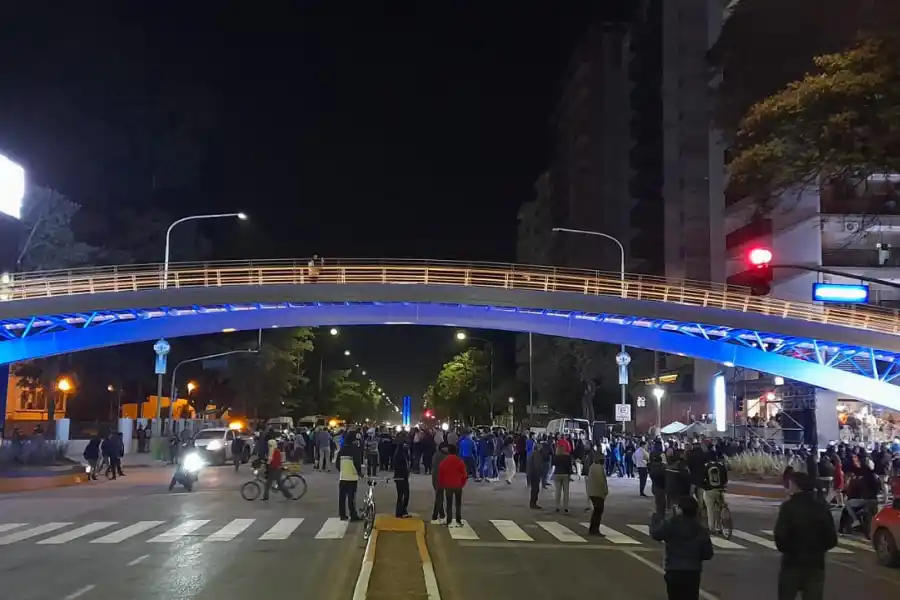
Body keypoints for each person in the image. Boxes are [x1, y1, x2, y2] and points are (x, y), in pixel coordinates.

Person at [773, 471, 837, 600]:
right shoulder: (821, 507)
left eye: (790, 483)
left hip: (792, 563)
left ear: (796, 486)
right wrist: (818, 549)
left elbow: (780, 536)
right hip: (816, 563)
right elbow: (832, 538)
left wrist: (790, 549)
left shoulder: (788, 507)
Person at [650, 496, 714, 600]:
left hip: (673, 570)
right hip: (692, 572)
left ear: (679, 509)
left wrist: (655, 519)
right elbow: (708, 553)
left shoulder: (671, 523)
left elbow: (656, 534)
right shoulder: (699, 528)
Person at [437, 444, 467, 527]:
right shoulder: (460, 461)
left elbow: (441, 475)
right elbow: (464, 475)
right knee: (458, 503)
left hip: (448, 485)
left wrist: (442, 484)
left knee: (449, 503)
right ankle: (458, 520)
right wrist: (462, 483)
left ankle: (448, 520)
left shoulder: (444, 462)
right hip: (458, 485)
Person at [700, 451, 728, 534]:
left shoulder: (706, 466)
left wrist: (704, 487)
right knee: (718, 508)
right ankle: (719, 526)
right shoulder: (721, 466)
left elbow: (702, 479)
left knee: (710, 509)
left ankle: (711, 527)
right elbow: (725, 479)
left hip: (710, 490)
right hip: (720, 489)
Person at [337, 432, 363, 521]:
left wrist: (343, 470)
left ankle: (342, 515)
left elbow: (337, 464)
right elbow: (357, 463)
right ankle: (353, 515)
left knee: (342, 497)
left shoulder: (342, 449)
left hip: (343, 476)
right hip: (352, 476)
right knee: (351, 497)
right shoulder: (355, 449)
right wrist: (360, 473)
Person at [585, 451, 609, 536]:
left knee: (596, 511)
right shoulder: (598, 468)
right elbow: (601, 482)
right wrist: (605, 491)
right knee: (598, 512)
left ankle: (593, 529)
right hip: (597, 493)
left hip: (593, 492)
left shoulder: (593, 466)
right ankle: (594, 530)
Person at [431, 442, 449, 524]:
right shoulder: (443, 456)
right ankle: (434, 517)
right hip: (440, 479)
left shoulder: (436, 454)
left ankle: (442, 515)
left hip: (436, 479)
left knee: (440, 497)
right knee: (439, 498)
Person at [551, 444, 573, 513]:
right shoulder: (567, 457)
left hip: (557, 474)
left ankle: (557, 506)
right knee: (566, 492)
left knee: (557, 491)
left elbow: (553, 464)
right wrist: (570, 475)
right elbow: (570, 466)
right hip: (565, 474)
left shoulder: (556, 457)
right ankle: (566, 507)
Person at [393, 440, 411, 518]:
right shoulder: (399, 456)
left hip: (403, 477)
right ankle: (400, 511)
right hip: (401, 477)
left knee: (403, 495)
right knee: (402, 495)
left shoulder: (403, 454)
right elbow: (399, 467)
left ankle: (402, 511)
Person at [526, 445, 544, 509]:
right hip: (535, 473)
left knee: (534, 489)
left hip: (531, 473)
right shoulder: (537, 454)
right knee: (535, 489)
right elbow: (537, 465)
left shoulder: (532, 454)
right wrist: (539, 473)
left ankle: (533, 503)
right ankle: (533, 504)